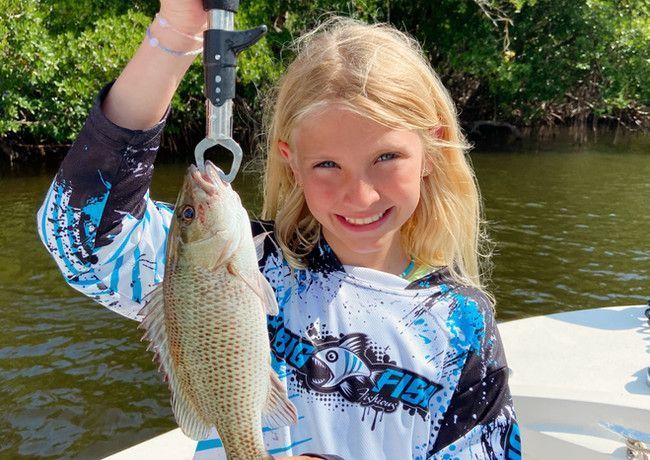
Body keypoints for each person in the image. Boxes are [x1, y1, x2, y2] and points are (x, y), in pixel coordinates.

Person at [37, 0, 520, 458]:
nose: (361, 196)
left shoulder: (461, 325)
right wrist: (175, 34)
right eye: (328, 164)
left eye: (386, 158)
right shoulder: (254, 260)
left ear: (432, 151)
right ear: (292, 163)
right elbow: (79, 236)